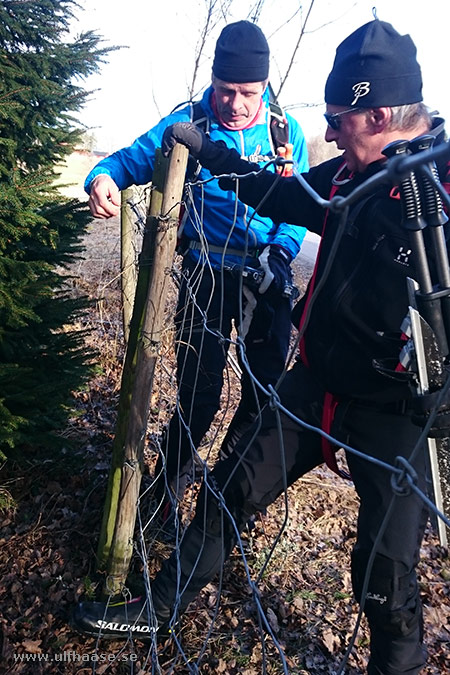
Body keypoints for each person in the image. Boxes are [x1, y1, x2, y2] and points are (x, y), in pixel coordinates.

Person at [73, 19, 449, 674]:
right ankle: (159, 605)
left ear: (380, 113)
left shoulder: (436, 191)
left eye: (339, 118)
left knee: (384, 576)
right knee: (232, 488)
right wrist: (214, 158)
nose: (327, 132)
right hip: (315, 388)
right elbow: (283, 192)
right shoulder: (346, 177)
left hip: (398, 412)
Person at [84, 20, 309, 519]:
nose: (235, 104)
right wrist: (101, 177)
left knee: (264, 396)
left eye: (247, 92)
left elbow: (299, 208)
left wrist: (280, 253)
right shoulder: (189, 123)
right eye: (225, 91)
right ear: (212, 80)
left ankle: (227, 496)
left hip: (267, 280)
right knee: (198, 398)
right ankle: (163, 494)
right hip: (205, 274)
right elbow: (131, 160)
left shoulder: (284, 132)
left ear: (265, 86)